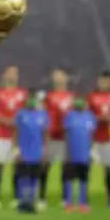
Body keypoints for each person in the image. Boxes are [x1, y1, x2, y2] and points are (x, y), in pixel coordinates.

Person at [0, 66, 28, 211]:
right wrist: (5, 120)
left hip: (18, 137)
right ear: (4, 76)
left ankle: (16, 197)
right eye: (9, 73)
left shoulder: (23, 94)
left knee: (17, 167)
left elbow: (28, 111)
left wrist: (18, 122)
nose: (12, 76)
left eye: (15, 73)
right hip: (2, 136)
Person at [86, 71, 110, 209]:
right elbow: (86, 114)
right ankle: (85, 199)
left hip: (108, 135)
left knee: (109, 167)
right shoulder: (91, 96)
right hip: (91, 135)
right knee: (86, 165)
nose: (105, 83)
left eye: (108, 81)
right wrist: (98, 118)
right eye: (103, 80)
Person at [42, 70, 75, 210]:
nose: (58, 78)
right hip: (51, 135)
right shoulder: (48, 97)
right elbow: (44, 116)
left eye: (61, 76)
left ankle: (65, 197)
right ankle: (41, 196)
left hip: (66, 137)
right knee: (45, 166)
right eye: (56, 76)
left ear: (66, 79)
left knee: (66, 167)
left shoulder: (72, 97)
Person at [13, 96, 49, 214]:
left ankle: (31, 203)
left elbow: (45, 134)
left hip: (37, 152)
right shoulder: (21, 114)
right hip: (23, 152)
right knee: (23, 178)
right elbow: (16, 133)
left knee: (34, 178)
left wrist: (44, 151)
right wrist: (17, 150)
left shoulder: (43, 115)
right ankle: (23, 203)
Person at [61, 98, 96, 212]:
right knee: (69, 178)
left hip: (85, 153)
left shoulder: (90, 116)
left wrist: (91, 151)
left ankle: (83, 203)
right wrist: (67, 152)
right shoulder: (70, 116)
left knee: (84, 179)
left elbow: (91, 136)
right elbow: (66, 135)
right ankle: (69, 203)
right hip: (72, 153)